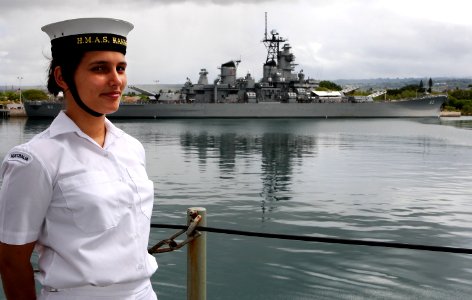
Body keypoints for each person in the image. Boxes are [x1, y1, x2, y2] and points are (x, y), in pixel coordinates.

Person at [0, 18, 158, 300]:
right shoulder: (35, 158)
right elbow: (11, 262)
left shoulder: (131, 147)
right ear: (62, 77)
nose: (116, 80)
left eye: (120, 68)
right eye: (100, 68)